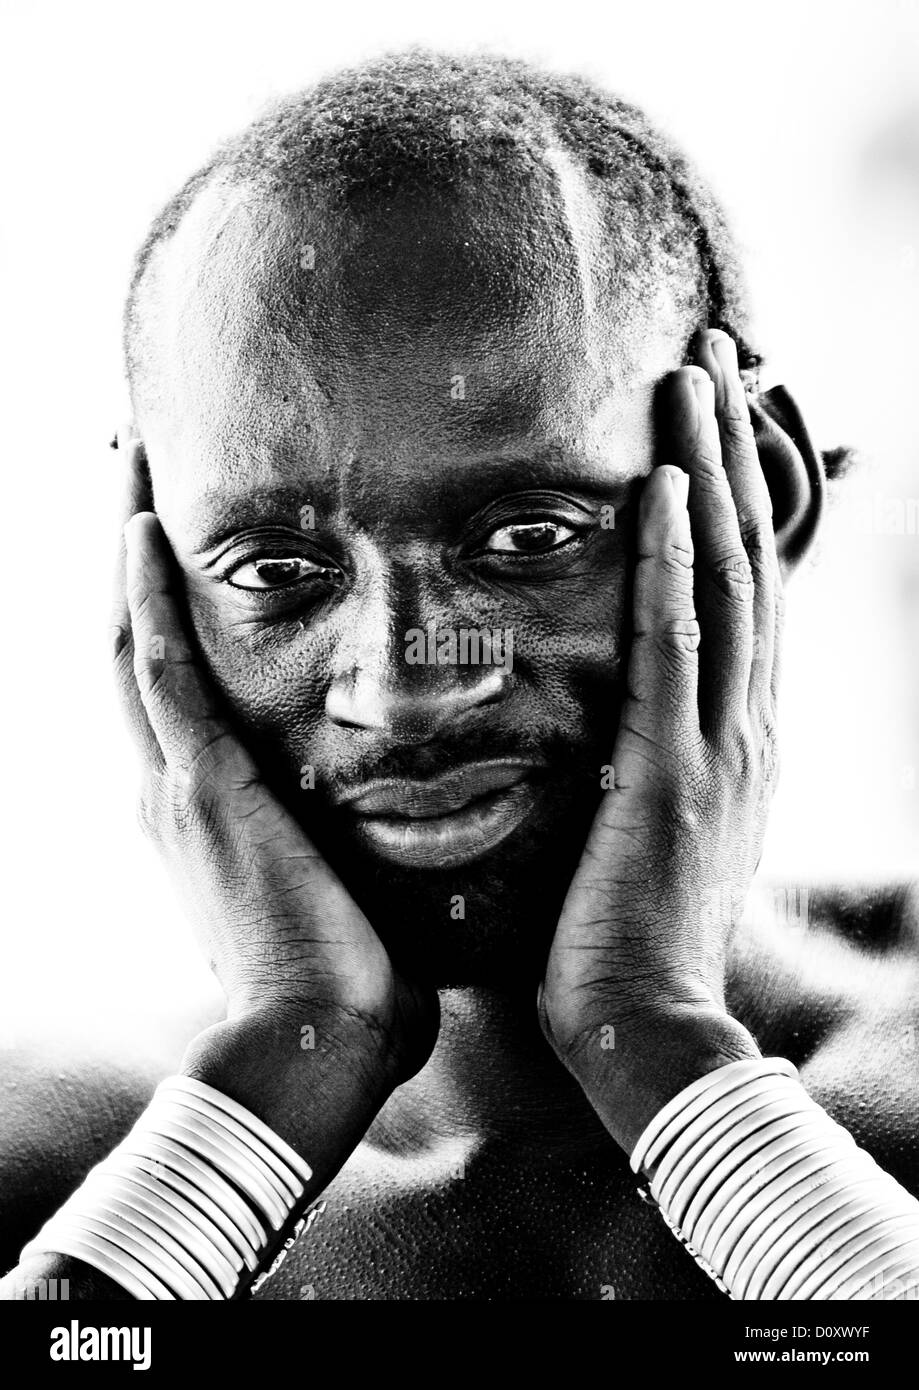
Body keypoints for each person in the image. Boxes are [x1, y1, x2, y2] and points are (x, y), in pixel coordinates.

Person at [2, 49, 918, 1301]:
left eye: (527, 537)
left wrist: (664, 1055)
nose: (406, 688)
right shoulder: (57, 1166)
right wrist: (254, 1103)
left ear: (758, 499)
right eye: (274, 568)